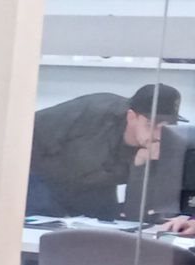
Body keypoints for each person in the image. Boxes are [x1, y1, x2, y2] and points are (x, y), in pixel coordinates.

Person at [27, 83, 183, 218]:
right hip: (43, 180)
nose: (158, 135)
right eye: (152, 124)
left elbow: (137, 213)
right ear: (131, 117)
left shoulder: (161, 146)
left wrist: (140, 165)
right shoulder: (93, 111)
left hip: (95, 189)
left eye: (167, 125)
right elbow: (28, 132)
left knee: (105, 233)